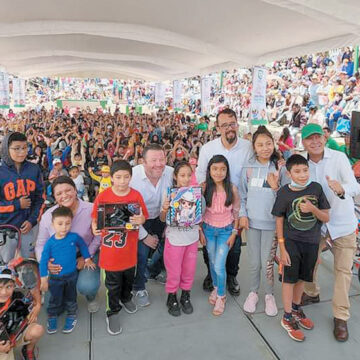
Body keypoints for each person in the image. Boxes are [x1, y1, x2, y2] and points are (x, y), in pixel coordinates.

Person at [299, 124, 360, 342]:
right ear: (303, 142)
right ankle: (312, 292)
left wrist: (342, 189)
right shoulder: (301, 163)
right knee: (309, 261)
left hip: (342, 223)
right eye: (309, 139)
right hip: (316, 224)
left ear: (324, 138)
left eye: (317, 137)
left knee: (343, 271)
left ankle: (340, 316)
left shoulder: (339, 158)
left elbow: (355, 186)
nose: (314, 142)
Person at [272, 154, 330, 342]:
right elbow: (279, 219)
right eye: (297, 171)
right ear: (289, 174)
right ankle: (287, 316)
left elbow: (326, 217)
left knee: (303, 278)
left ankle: (296, 308)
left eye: (305, 170)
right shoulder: (284, 193)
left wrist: (312, 210)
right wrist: (282, 247)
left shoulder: (316, 189)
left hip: (312, 242)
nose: (303, 174)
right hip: (291, 243)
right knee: (289, 279)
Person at [196, 108, 252, 296]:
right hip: (213, 208)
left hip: (239, 206)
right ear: (218, 127)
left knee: (234, 247)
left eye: (232, 123)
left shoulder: (248, 147)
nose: (229, 128)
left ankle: (231, 276)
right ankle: (212, 276)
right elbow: (200, 174)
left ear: (237, 124)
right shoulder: (208, 149)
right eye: (224, 125)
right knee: (209, 247)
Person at [91, 160, 148, 335]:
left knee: (128, 279)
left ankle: (126, 297)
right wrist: (95, 226)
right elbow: (95, 218)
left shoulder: (136, 195)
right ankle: (112, 311)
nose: (122, 181)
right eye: (118, 177)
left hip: (130, 251)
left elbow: (143, 215)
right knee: (112, 285)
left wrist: (141, 220)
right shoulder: (103, 196)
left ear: (131, 177)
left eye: (126, 177)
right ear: (111, 178)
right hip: (110, 254)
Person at [36, 176, 101, 313]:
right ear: (54, 197)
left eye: (68, 190)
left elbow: (98, 236)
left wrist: (86, 257)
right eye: (59, 193)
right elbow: (41, 244)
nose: (64, 195)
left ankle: (91, 297)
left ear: (75, 190)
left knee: (87, 286)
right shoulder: (48, 216)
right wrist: (46, 262)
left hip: (86, 253)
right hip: (60, 259)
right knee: (53, 302)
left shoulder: (91, 209)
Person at [240, 126, 283, 317]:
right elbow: (242, 195)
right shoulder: (248, 168)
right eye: (260, 144)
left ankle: (269, 295)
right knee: (254, 262)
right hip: (252, 223)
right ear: (254, 147)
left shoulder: (280, 168)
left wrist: (276, 188)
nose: (265, 148)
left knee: (267, 262)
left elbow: (286, 197)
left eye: (268, 143)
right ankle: (253, 292)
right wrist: (242, 214)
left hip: (271, 225)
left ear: (274, 145)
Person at [40, 206, 96, 334]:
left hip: (71, 275)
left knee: (71, 297)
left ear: (71, 222)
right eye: (60, 224)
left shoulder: (74, 237)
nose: (64, 227)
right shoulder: (50, 243)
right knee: (55, 298)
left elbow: (82, 245)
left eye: (67, 223)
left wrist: (87, 259)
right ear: (53, 224)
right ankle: (52, 316)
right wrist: (43, 279)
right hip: (55, 278)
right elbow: (44, 261)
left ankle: (72, 314)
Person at [130, 144, 173, 307]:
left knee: (165, 246)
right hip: (139, 220)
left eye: (162, 159)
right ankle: (139, 287)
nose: (159, 164)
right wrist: (144, 236)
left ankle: (155, 272)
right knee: (142, 253)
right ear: (143, 162)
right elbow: (128, 212)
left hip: (161, 216)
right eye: (153, 160)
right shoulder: (133, 177)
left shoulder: (170, 172)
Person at [160, 161, 202, 317]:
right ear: (175, 176)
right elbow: (162, 217)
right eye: (182, 175)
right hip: (175, 239)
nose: (186, 179)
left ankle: (185, 295)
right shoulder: (170, 194)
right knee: (174, 271)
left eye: (189, 175)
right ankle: (171, 296)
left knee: (189, 270)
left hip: (191, 238)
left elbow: (199, 216)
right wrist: (165, 208)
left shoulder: (196, 194)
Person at [201, 155, 240, 316]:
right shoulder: (203, 188)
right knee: (211, 261)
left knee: (219, 265)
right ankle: (216, 288)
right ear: (209, 170)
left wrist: (234, 233)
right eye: (215, 169)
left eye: (223, 169)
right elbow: (197, 212)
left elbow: (236, 212)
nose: (218, 172)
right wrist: (200, 231)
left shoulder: (232, 188)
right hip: (208, 230)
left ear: (227, 171)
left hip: (226, 231)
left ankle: (222, 296)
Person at [0, 132, 44, 258]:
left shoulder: (34, 169)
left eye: (25, 147)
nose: (22, 152)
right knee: (6, 266)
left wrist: (32, 220)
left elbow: (40, 198)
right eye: (17, 148)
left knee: (28, 266)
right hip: (5, 228)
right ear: (6, 149)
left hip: (28, 227)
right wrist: (16, 205)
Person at [0, 267, 44, 360]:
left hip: (15, 333)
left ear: (14, 286)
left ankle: (28, 350)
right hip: (2, 344)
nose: (4, 292)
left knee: (37, 330)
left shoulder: (18, 296)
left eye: (9, 286)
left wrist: (31, 314)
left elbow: (33, 292)